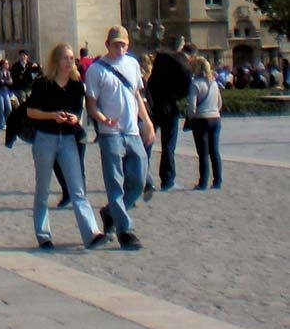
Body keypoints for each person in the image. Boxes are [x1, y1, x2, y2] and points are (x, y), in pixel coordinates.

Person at [26, 43, 106, 250]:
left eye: (72, 58)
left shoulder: (76, 85)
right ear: (56, 61)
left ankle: (92, 233)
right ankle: (44, 235)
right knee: (43, 187)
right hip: (45, 138)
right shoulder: (42, 84)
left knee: (78, 188)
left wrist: (73, 118)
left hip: (68, 139)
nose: (70, 61)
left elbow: (78, 112)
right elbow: (31, 112)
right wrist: (52, 115)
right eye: (65, 58)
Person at [85, 26, 153, 251]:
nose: (120, 48)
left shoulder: (133, 65)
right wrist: (103, 119)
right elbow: (91, 104)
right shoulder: (96, 70)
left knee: (139, 181)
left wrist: (147, 122)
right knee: (115, 184)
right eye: (116, 44)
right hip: (110, 134)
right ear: (107, 44)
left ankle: (110, 212)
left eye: (123, 44)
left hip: (132, 131)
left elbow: (136, 96)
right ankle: (125, 230)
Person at [146, 36, 193, 190]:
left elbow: (151, 83)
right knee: (168, 146)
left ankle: (143, 177)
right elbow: (186, 90)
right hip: (170, 107)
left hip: (154, 106)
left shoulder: (162, 60)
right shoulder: (183, 66)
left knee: (147, 143)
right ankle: (167, 180)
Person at [185, 54, 223, 190]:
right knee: (215, 151)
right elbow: (219, 103)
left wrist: (191, 116)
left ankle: (203, 182)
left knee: (203, 153)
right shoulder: (214, 83)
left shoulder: (195, 84)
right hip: (215, 118)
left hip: (201, 120)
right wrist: (214, 111)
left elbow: (191, 107)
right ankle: (217, 181)